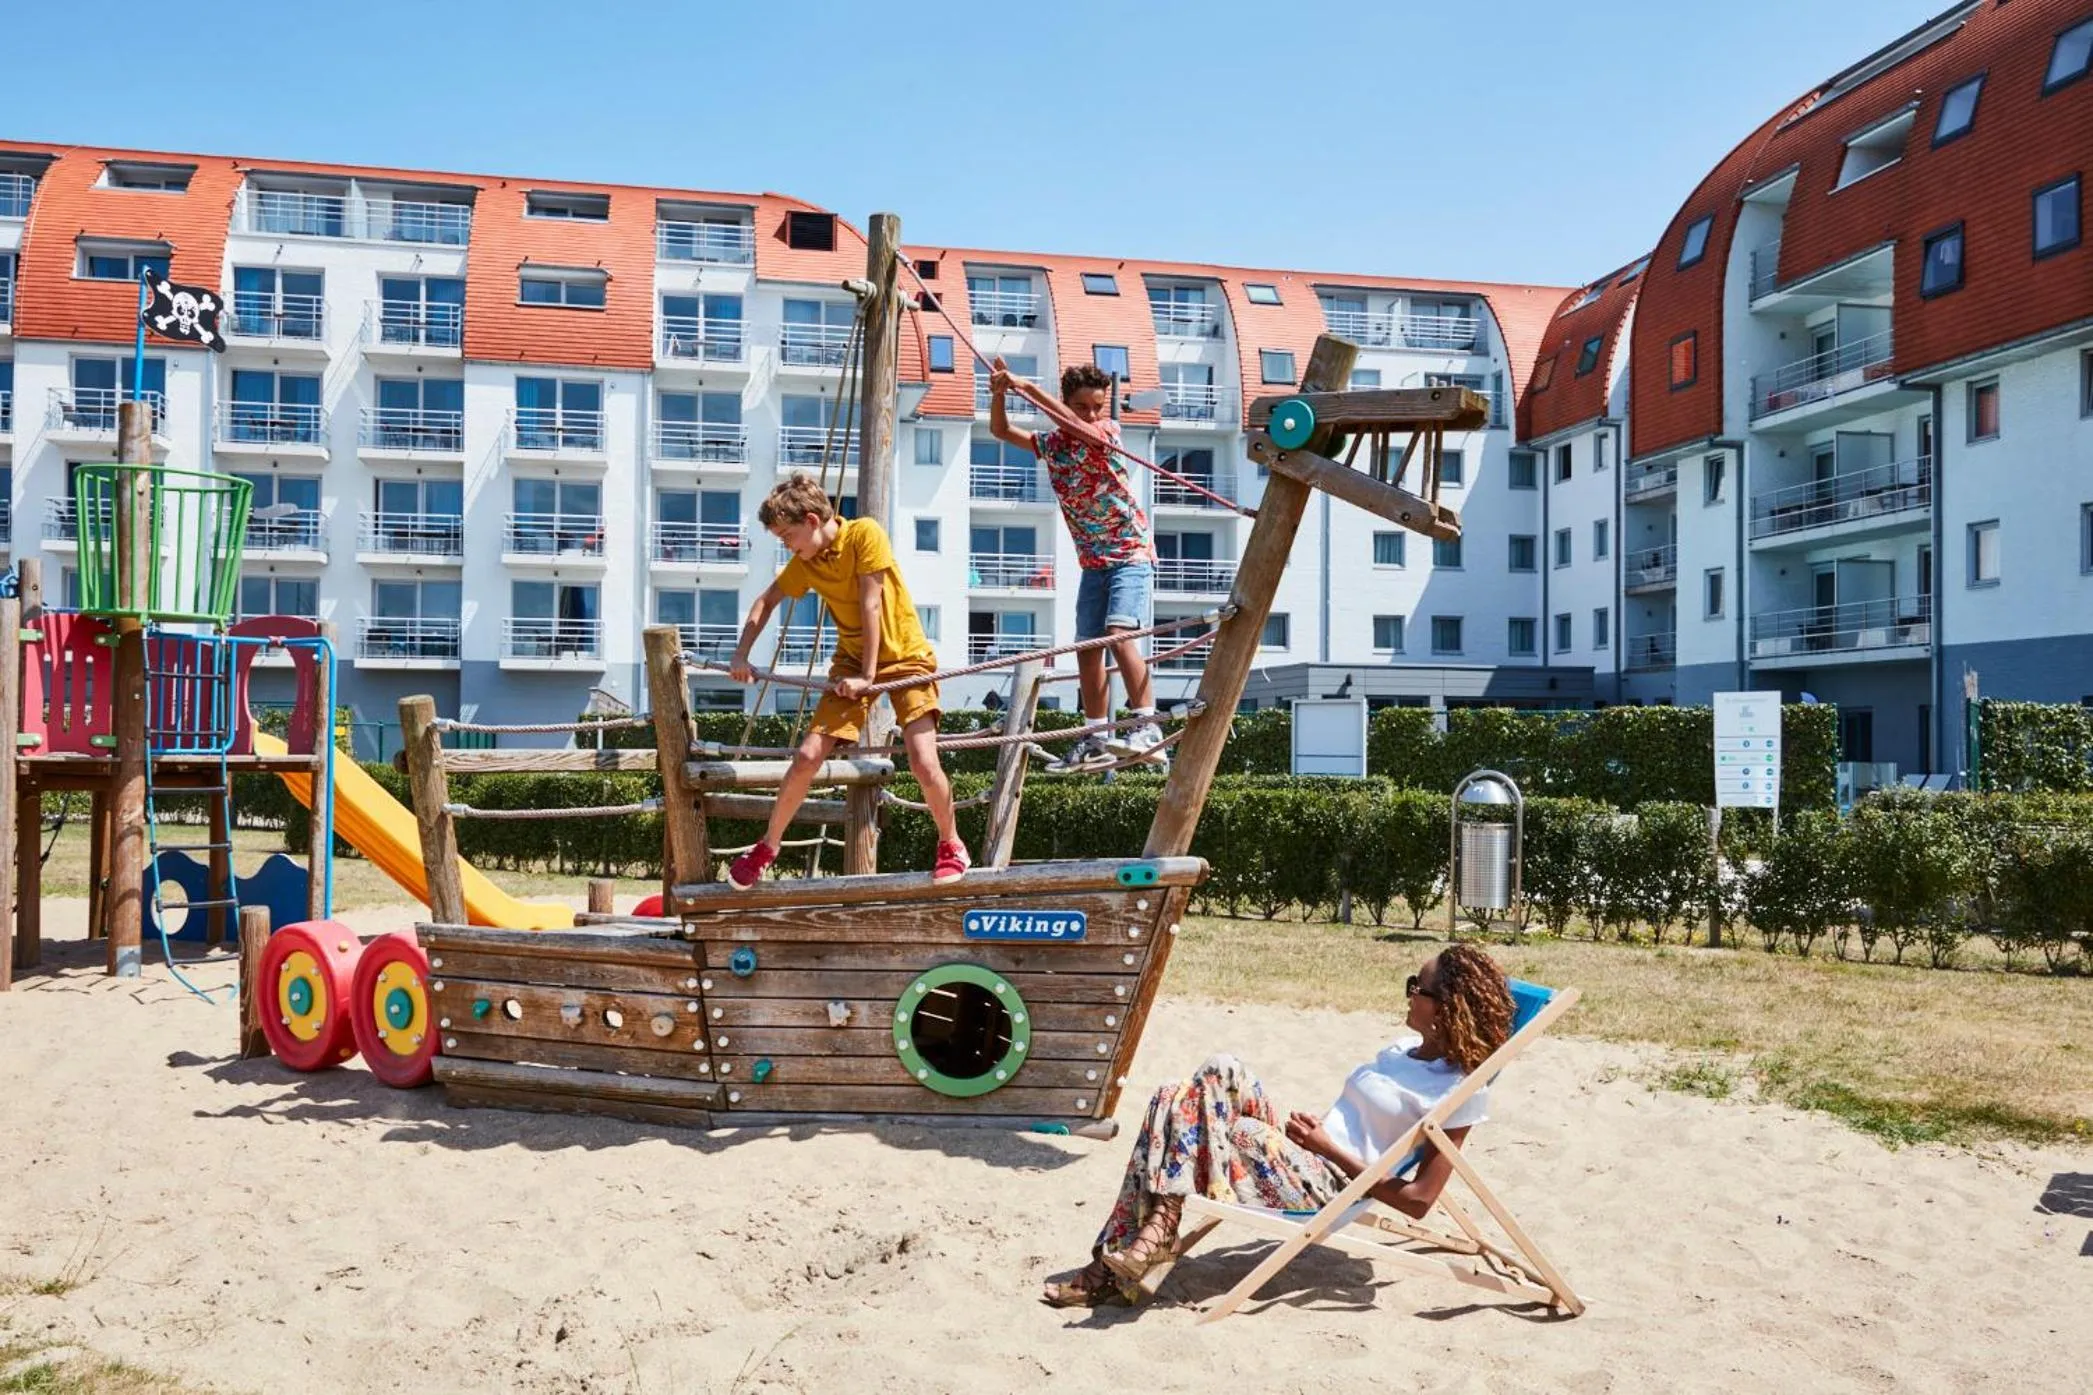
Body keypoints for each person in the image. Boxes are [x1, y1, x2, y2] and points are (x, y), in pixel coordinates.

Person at [1040, 944, 1515, 1307]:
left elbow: (1418, 1203)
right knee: (1203, 1078)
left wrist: (1327, 1148)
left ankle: (1132, 1249)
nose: (1409, 993)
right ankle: (1156, 1231)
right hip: (1300, 1155)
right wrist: (1316, 1140)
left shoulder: (1460, 1092)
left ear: (1447, 1008)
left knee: (1199, 1114)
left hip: (1331, 1185)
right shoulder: (1399, 1051)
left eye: (1419, 988)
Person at [726, 474, 969, 887]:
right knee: (806, 756)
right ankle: (767, 845)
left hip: (904, 657)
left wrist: (867, 678)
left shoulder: (864, 534)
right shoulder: (807, 562)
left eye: (788, 536)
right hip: (851, 662)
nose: (788, 546)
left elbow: (871, 603)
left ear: (812, 519)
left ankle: (951, 843)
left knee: (922, 760)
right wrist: (741, 653)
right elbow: (765, 601)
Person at [986, 360, 1165, 771]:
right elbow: (1000, 431)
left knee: (1119, 635)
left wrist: (1027, 385)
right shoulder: (1053, 445)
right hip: (1094, 563)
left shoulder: (1105, 433)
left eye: (1096, 406)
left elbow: (1078, 426)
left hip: (1129, 553)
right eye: (1081, 406)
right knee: (1087, 649)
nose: (1089, 414)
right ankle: (1097, 734)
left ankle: (1146, 724)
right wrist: (999, 392)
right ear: (1068, 401)